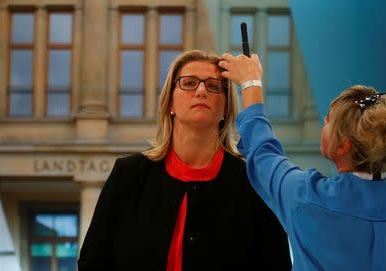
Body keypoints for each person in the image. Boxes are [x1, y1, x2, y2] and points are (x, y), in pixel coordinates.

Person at [219, 53, 386, 271]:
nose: (324, 123)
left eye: (328, 120)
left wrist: (250, 82)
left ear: (343, 145)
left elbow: (263, 153)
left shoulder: (305, 198)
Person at [77, 50, 291, 271]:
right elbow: (93, 262)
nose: (200, 91)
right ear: (170, 102)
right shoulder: (128, 174)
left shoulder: (253, 183)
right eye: (189, 83)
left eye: (213, 86)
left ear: (226, 108)